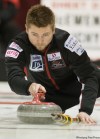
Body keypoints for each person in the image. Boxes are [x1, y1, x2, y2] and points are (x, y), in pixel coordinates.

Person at [5, 4, 100, 124]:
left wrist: (85, 110)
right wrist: (29, 86)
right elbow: (14, 78)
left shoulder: (67, 42)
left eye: (45, 35)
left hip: (76, 90)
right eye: (34, 34)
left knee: (96, 74)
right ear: (26, 29)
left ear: (53, 30)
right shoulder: (17, 46)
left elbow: (89, 75)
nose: (40, 41)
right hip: (49, 97)